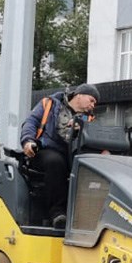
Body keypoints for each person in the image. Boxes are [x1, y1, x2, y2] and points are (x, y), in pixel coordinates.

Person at [19, 84, 98, 228]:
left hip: (73, 155)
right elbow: (31, 122)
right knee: (55, 162)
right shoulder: (48, 104)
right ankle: (57, 213)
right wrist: (28, 141)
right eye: (91, 100)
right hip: (46, 150)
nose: (93, 105)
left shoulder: (89, 119)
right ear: (79, 95)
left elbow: (92, 139)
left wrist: (83, 129)